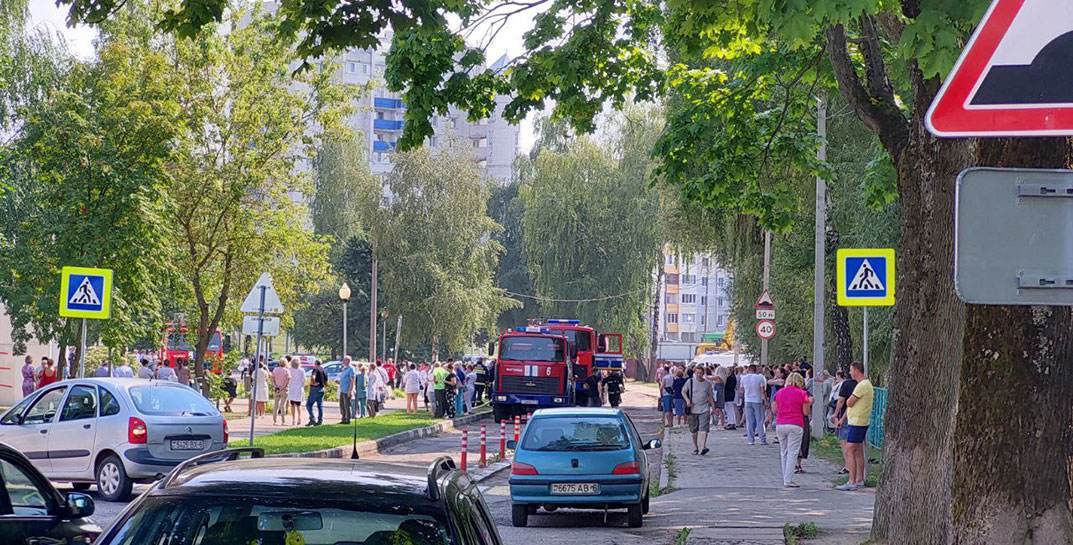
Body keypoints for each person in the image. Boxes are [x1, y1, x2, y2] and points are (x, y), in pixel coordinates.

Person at [839, 362, 874, 491]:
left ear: (856, 370)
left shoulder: (861, 386)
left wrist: (849, 402)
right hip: (860, 421)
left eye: (851, 370)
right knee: (858, 450)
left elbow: (849, 402)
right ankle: (859, 479)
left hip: (857, 422)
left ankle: (851, 480)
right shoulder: (866, 384)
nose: (850, 373)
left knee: (849, 450)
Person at [773, 372, 811, 488]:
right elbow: (805, 412)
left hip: (780, 424)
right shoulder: (802, 393)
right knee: (792, 452)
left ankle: (786, 477)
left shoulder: (779, 393)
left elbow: (774, 410)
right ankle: (788, 480)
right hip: (795, 424)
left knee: (783, 452)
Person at [682, 366, 715, 456]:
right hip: (693, 409)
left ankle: (702, 447)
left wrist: (713, 407)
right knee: (694, 431)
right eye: (697, 373)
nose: (699, 375)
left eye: (701, 373)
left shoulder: (707, 384)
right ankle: (696, 447)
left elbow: (710, 396)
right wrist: (688, 400)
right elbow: (683, 391)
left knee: (703, 429)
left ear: (703, 373)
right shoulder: (690, 382)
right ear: (695, 373)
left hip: (704, 408)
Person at [833, 368, 858, 477]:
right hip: (858, 416)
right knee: (856, 444)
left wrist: (836, 413)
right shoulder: (861, 384)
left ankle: (848, 466)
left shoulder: (846, 384)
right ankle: (854, 467)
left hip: (845, 416)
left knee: (845, 442)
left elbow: (841, 400)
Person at [741, 364, 768, 445]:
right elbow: (762, 390)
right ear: (755, 369)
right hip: (757, 400)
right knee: (759, 420)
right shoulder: (759, 378)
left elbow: (741, 390)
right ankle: (762, 439)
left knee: (749, 421)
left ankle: (750, 440)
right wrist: (766, 400)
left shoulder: (743, 378)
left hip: (747, 400)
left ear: (748, 369)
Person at [306, 360, 327, 426]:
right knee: (320, 406)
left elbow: (313, 377)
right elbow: (326, 380)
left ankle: (312, 419)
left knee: (308, 405)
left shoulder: (315, 369)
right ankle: (320, 420)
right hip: (321, 389)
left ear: (315, 364)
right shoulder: (323, 370)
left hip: (315, 389)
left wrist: (313, 383)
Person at [272, 356, 292, 425]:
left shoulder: (275, 370)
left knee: (276, 405)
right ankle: (283, 421)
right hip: (284, 390)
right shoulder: (286, 370)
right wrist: (283, 387)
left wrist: (276, 386)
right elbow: (288, 380)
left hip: (276, 389)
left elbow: (273, 379)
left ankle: (275, 421)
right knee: (282, 406)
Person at [286, 359, 305, 426]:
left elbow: (288, 378)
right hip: (299, 389)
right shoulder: (302, 370)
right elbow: (303, 380)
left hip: (292, 389)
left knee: (292, 405)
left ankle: (293, 419)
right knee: (299, 405)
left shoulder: (290, 370)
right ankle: (299, 418)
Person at [338, 356, 355, 424]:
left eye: (344, 360)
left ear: (348, 361)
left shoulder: (351, 369)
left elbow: (352, 381)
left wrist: (350, 391)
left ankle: (348, 419)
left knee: (347, 405)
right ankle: (343, 418)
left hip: (347, 390)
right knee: (342, 404)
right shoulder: (344, 368)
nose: (343, 361)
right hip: (342, 389)